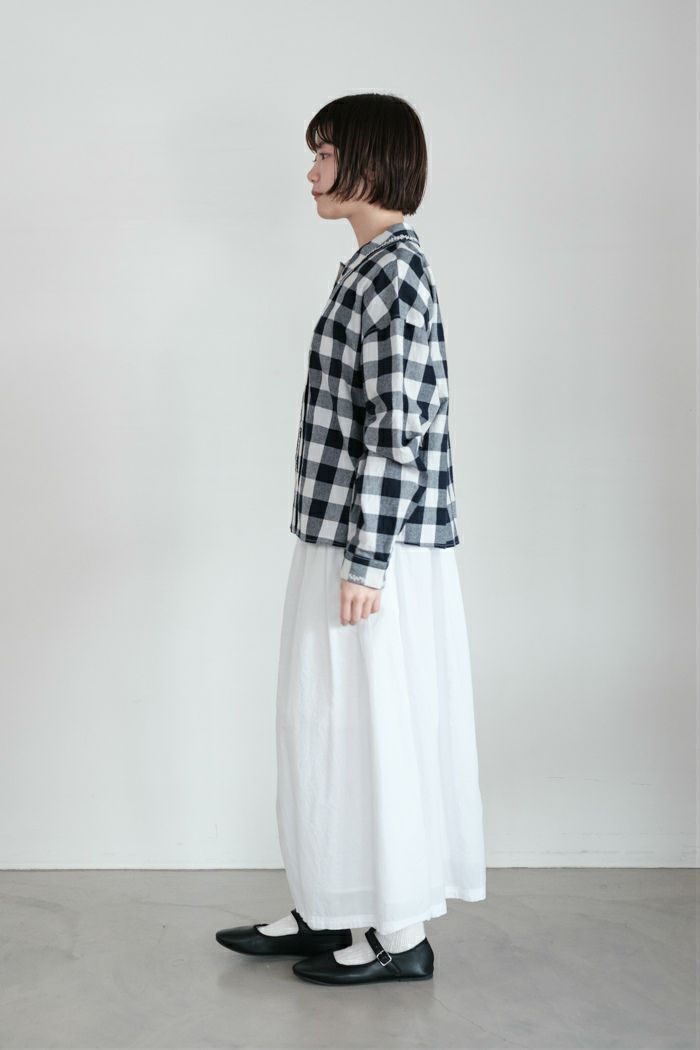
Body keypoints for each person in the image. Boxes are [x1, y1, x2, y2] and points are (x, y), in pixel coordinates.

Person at [216, 92, 486, 987]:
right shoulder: (368, 268)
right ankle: (330, 906)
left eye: (325, 153)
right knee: (322, 724)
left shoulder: (394, 276)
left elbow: (397, 433)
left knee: (370, 729)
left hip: (376, 546)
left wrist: (369, 561)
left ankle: (399, 937)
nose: (311, 171)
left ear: (369, 163)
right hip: (342, 532)